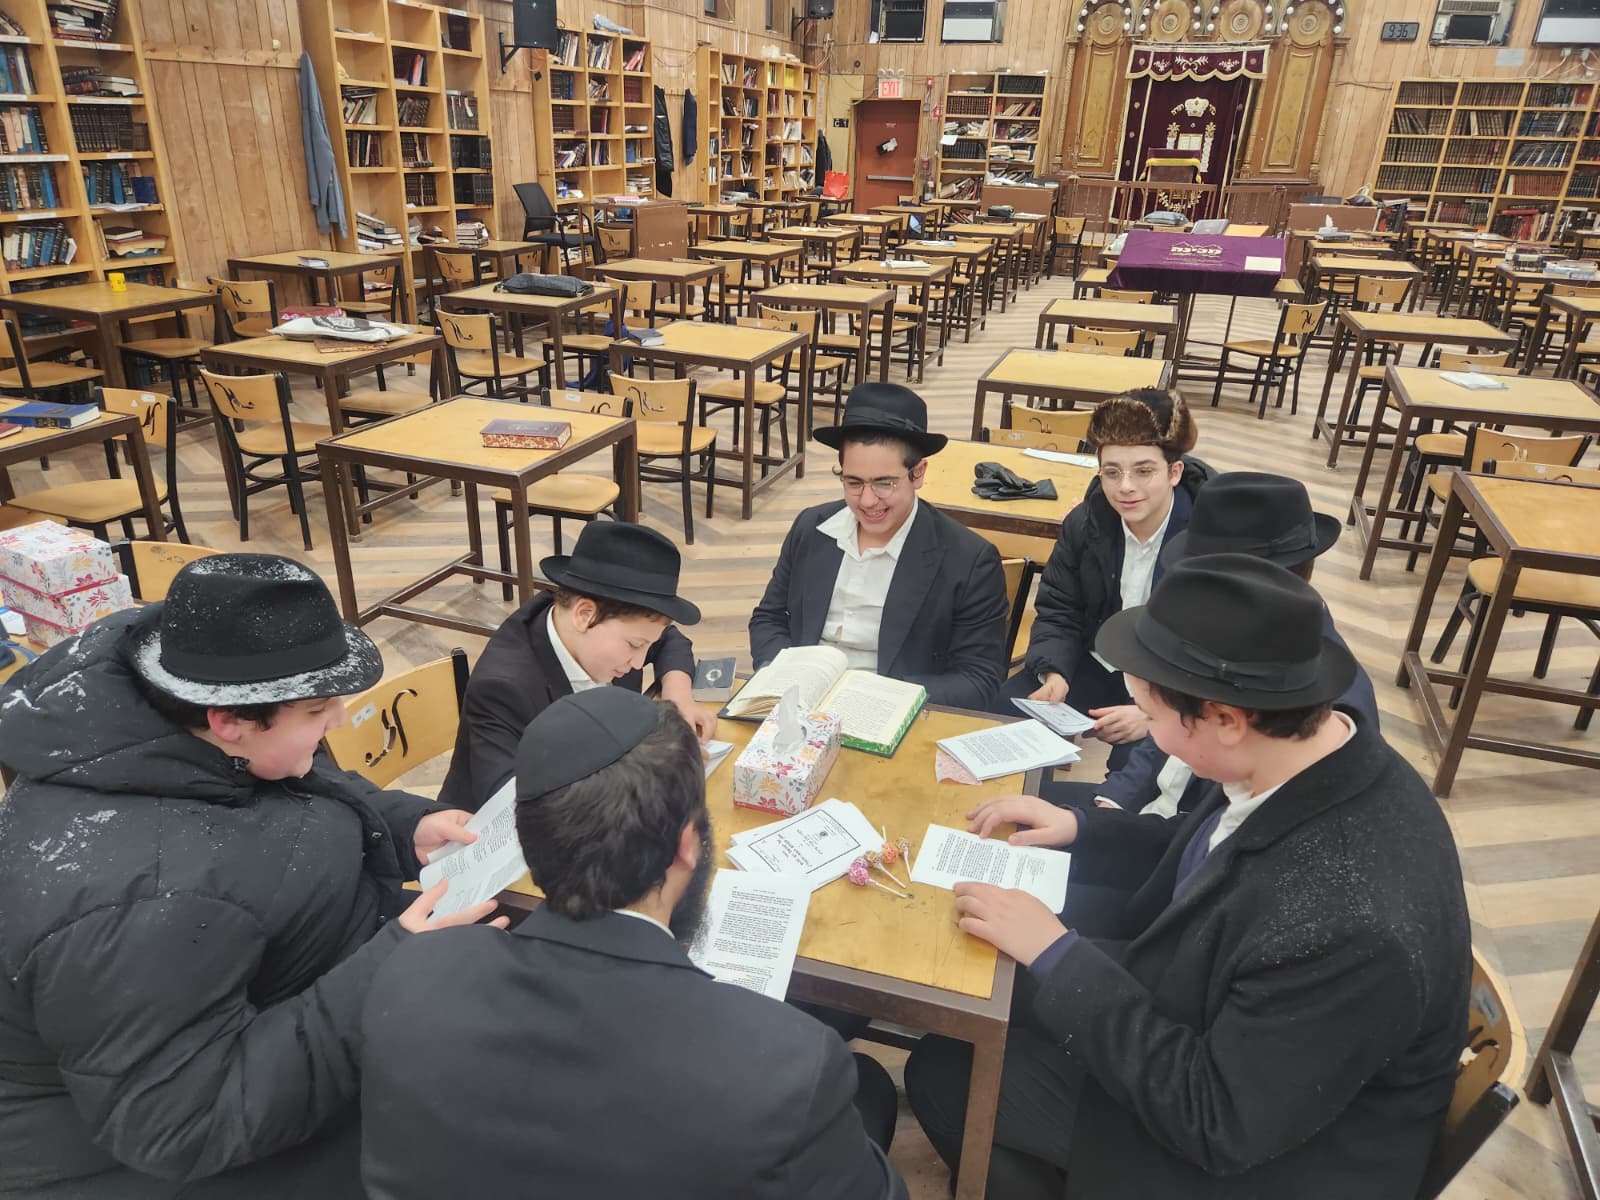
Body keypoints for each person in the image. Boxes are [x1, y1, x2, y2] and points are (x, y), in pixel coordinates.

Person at [904, 555, 1471, 1199]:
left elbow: (1216, 1120)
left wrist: (1057, 954)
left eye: (1151, 715)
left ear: (1225, 720)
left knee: (949, 1072)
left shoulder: (1349, 921)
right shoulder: (1304, 757)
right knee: (983, 1000)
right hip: (1224, 1035)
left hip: (1267, 1157)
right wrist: (1081, 825)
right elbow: (1203, 848)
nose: (1147, 731)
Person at [0, 554, 503, 1200]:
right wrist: (385, 974)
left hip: (291, 995)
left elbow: (305, 781)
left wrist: (403, 825)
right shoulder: (140, 901)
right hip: (152, 1159)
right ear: (228, 720)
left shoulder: (191, 710)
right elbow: (185, 1125)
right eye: (319, 710)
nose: (339, 721)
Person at [361, 689, 908, 1200]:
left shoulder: (411, 970)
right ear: (687, 845)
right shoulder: (789, 1066)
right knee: (872, 1090)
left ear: (527, 841)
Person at [1046, 471, 1379, 818]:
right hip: (1149, 810)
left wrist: (1098, 827)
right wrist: (1111, 802)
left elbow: (1230, 827)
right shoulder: (1237, 636)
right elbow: (1167, 734)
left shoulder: (1317, 705)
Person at [749, 381, 1009, 710]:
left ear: (918, 474)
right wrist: (785, 676)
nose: (868, 501)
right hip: (800, 702)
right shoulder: (811, 528)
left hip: (895, 710)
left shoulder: (969, 559)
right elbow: (769, 618)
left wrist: (880, 698)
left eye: (884, 483)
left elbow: (979, 679)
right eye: (853, 482)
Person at [439, 520, 714, 811]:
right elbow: (514, 806)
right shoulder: (503, 688)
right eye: (635, 645)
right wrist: (646, 772)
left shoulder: (596, 626)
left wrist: (678, 700)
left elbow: (668, 640)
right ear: (584, 615)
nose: (638, 661)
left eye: (646, 645)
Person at [1003, 388, 1211, 763]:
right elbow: (1059, 608)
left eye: (1144, 471)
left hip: (1171, 684)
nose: (1125, 486)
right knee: (998, 719)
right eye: (1112, 472)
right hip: (1096, 659)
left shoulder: (1208, 540)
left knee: (1137, 775)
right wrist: (1054, 672)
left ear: (1174, 472)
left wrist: (1157, 713)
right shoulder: (1086, 523)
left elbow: (1211, 654)